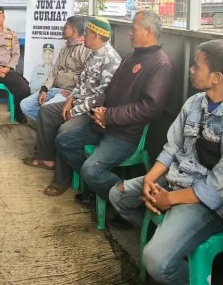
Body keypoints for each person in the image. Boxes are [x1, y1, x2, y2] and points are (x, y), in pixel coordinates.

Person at [109, 39, 223, 285]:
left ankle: (186, 271)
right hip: (176, 179)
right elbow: (172, 148)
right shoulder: (194, 103)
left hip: (210, 203)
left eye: (197, 66)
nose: (191, 70)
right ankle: (167, 234)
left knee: (156, 262)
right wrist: (150, 180)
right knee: (117, 195)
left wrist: (170, 199)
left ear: (216, 77)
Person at [56, 10, 173, 207]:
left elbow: (148, 108)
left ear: (148, 31)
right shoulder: (131, 56)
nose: (129, 33)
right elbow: (108, 89)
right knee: (64, 141)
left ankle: (129, 200)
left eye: (133, 29)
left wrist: (108, 116)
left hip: (125, 135)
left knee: (91, 170)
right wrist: (99, 110)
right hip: (103, 124)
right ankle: (98, 189)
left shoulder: (161, 64)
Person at [24, 16, 120, 197]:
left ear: (97, 35)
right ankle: (47, 159)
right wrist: (69, 101)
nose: (85, 36)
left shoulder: (111, 60)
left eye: (88, 33)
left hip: (90, 111)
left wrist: (74, 111)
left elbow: (100, 97)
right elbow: (82, 83)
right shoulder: (93, 52)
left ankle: (61, 179)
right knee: (45, 111)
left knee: (64, 130)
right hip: (77, 102)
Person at [19, 15, 90, 121]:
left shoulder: (85, 49)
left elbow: (87, 78)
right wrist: (44, 89)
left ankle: (47, 125)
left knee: (45, 110)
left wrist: (73, 94)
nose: (63, 29)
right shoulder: (65, 47)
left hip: (68, 93)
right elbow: (54, 71)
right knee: (25, 105)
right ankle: (47, 125)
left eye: (66, 27)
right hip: (55, 89)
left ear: (74, 31)